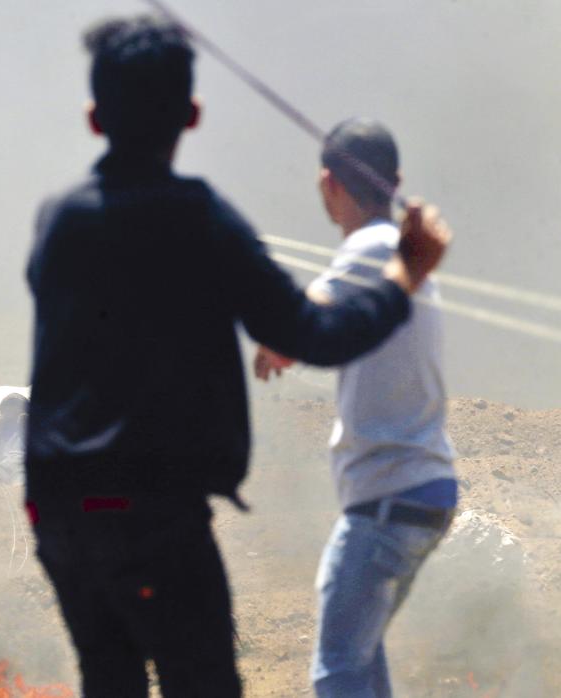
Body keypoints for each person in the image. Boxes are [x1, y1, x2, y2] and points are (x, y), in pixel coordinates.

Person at [24, 16, 452, 698]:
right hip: (157, 517)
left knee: (109, 680)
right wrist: (407, 275)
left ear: (94, 116)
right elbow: (315, 333)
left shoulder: (58, 219)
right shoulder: (203, 220)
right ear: (192, 116)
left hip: (59, 514)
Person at [254, 118, 457, 698]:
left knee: (338, 669)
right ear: (394, 182)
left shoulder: (370, 249)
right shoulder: (398, 256)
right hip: (423, 491)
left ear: (328, 183)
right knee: (361, 663)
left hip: (387, 501)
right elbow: (331, 325)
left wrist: (278, 337)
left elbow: (308, 319)